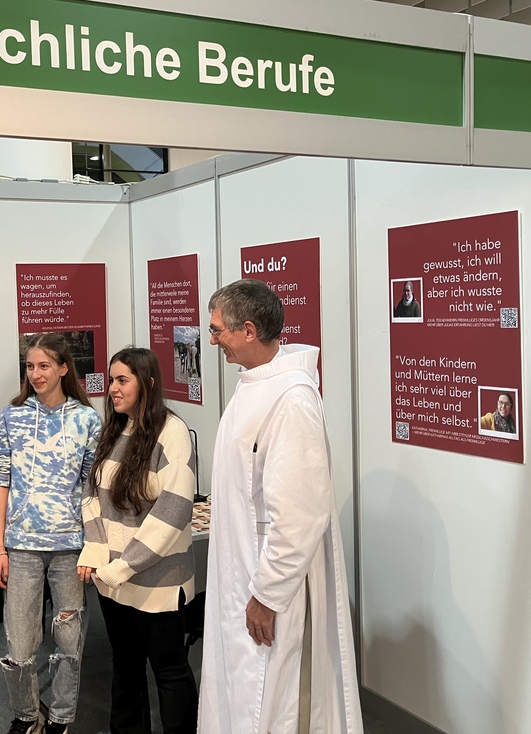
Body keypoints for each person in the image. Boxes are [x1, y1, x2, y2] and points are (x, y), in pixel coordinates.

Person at [198, 280, 362, 734]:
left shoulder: (292, 400)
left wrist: (267, 595)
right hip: (241, 574)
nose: (212, 341)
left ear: (249, 330)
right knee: (242, 693)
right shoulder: (254, 386)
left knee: (275, 702)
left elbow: (300, 516)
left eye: (217, 331)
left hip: (272, 588)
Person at [78, 347, 199, 734]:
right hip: (113, 582)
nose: (112, 388)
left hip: (156, 583)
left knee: (169, 671)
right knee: (125, 668)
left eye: (122, 380)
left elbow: (173, 512)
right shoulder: (115, 429)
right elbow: (91, 495)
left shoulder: (172, 432)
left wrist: (123, 566)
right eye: (111, 380)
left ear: (147, 383)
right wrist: (97, 550)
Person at [0, 333, 102, 734]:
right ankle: (26, 715)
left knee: (69, 642)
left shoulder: (87, 420)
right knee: (19, 644)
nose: (35, 374)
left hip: (70, 547)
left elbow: (92, 488)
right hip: (21, 546)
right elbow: (1, 481)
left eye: (43, 366)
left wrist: (95, 545)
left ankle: (61, 717)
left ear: (63, 368)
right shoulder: (12, 417)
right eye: (29, 366)